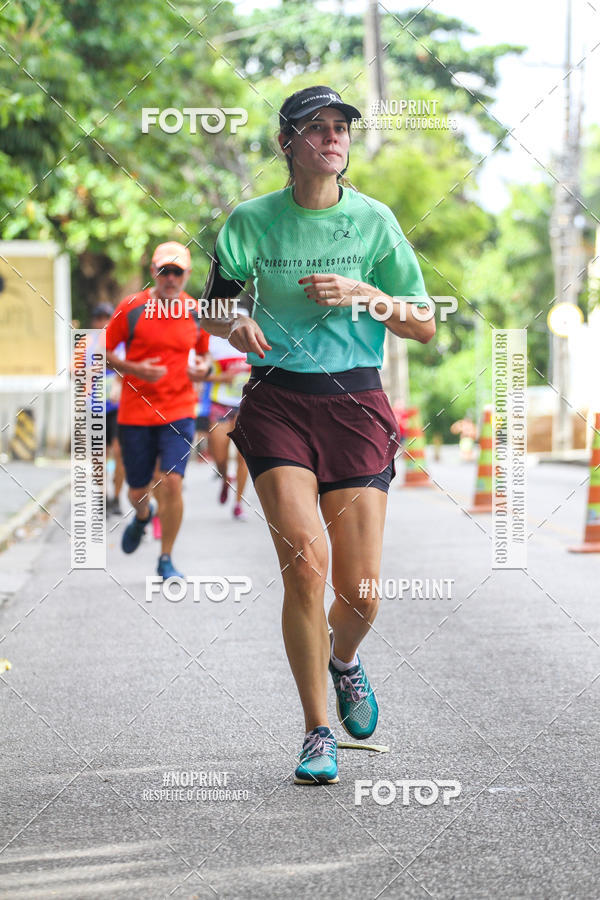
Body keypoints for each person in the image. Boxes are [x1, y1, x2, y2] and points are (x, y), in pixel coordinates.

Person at [201, 85, 435, 785]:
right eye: (317, 128)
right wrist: (233, 323)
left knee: (361, 592)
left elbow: (423, 322)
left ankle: (345, 662)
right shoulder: (251, 221)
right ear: (287, 144)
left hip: (356, 402)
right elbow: (212, 305)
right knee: (305, 565)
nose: (333, 137)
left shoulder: (374, 222)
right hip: (277, 400)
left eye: (341, 127)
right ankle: (316, 730)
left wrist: (364, 293)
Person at [106, 241, 210, 579]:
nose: (170, 278)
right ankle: (141, 515)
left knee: (172, 483)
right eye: (164, 270)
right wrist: (132, 368)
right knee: (137, 491)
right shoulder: (131, 308)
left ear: (187, 275)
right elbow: (103, 351)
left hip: (179, 410)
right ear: (153, 272)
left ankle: (166, 558)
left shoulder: (196, 311)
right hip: (135, 414)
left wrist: (202, 371)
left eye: (177, 271)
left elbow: (205, 358)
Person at [205, 326, 251, 519]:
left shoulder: (251, 338)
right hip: (220, 405)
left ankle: (238, 502)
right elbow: (199, 373)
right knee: (220, 456)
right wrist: (221, 377)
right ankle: (225, 478)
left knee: (244, 457)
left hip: (246, 404)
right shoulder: (212, 342)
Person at [88, 303, 126, 516]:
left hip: (118, 407)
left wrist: (118, 378)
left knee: (119, 452)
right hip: (94, 407)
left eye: (107, 318)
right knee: (98, 455)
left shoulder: (122, 343)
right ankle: (102, 495)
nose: (103, 323)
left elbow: (129, 368)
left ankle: (117, 497)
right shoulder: (86, 343)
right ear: (93, 322)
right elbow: (74, 371)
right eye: (99, 318)